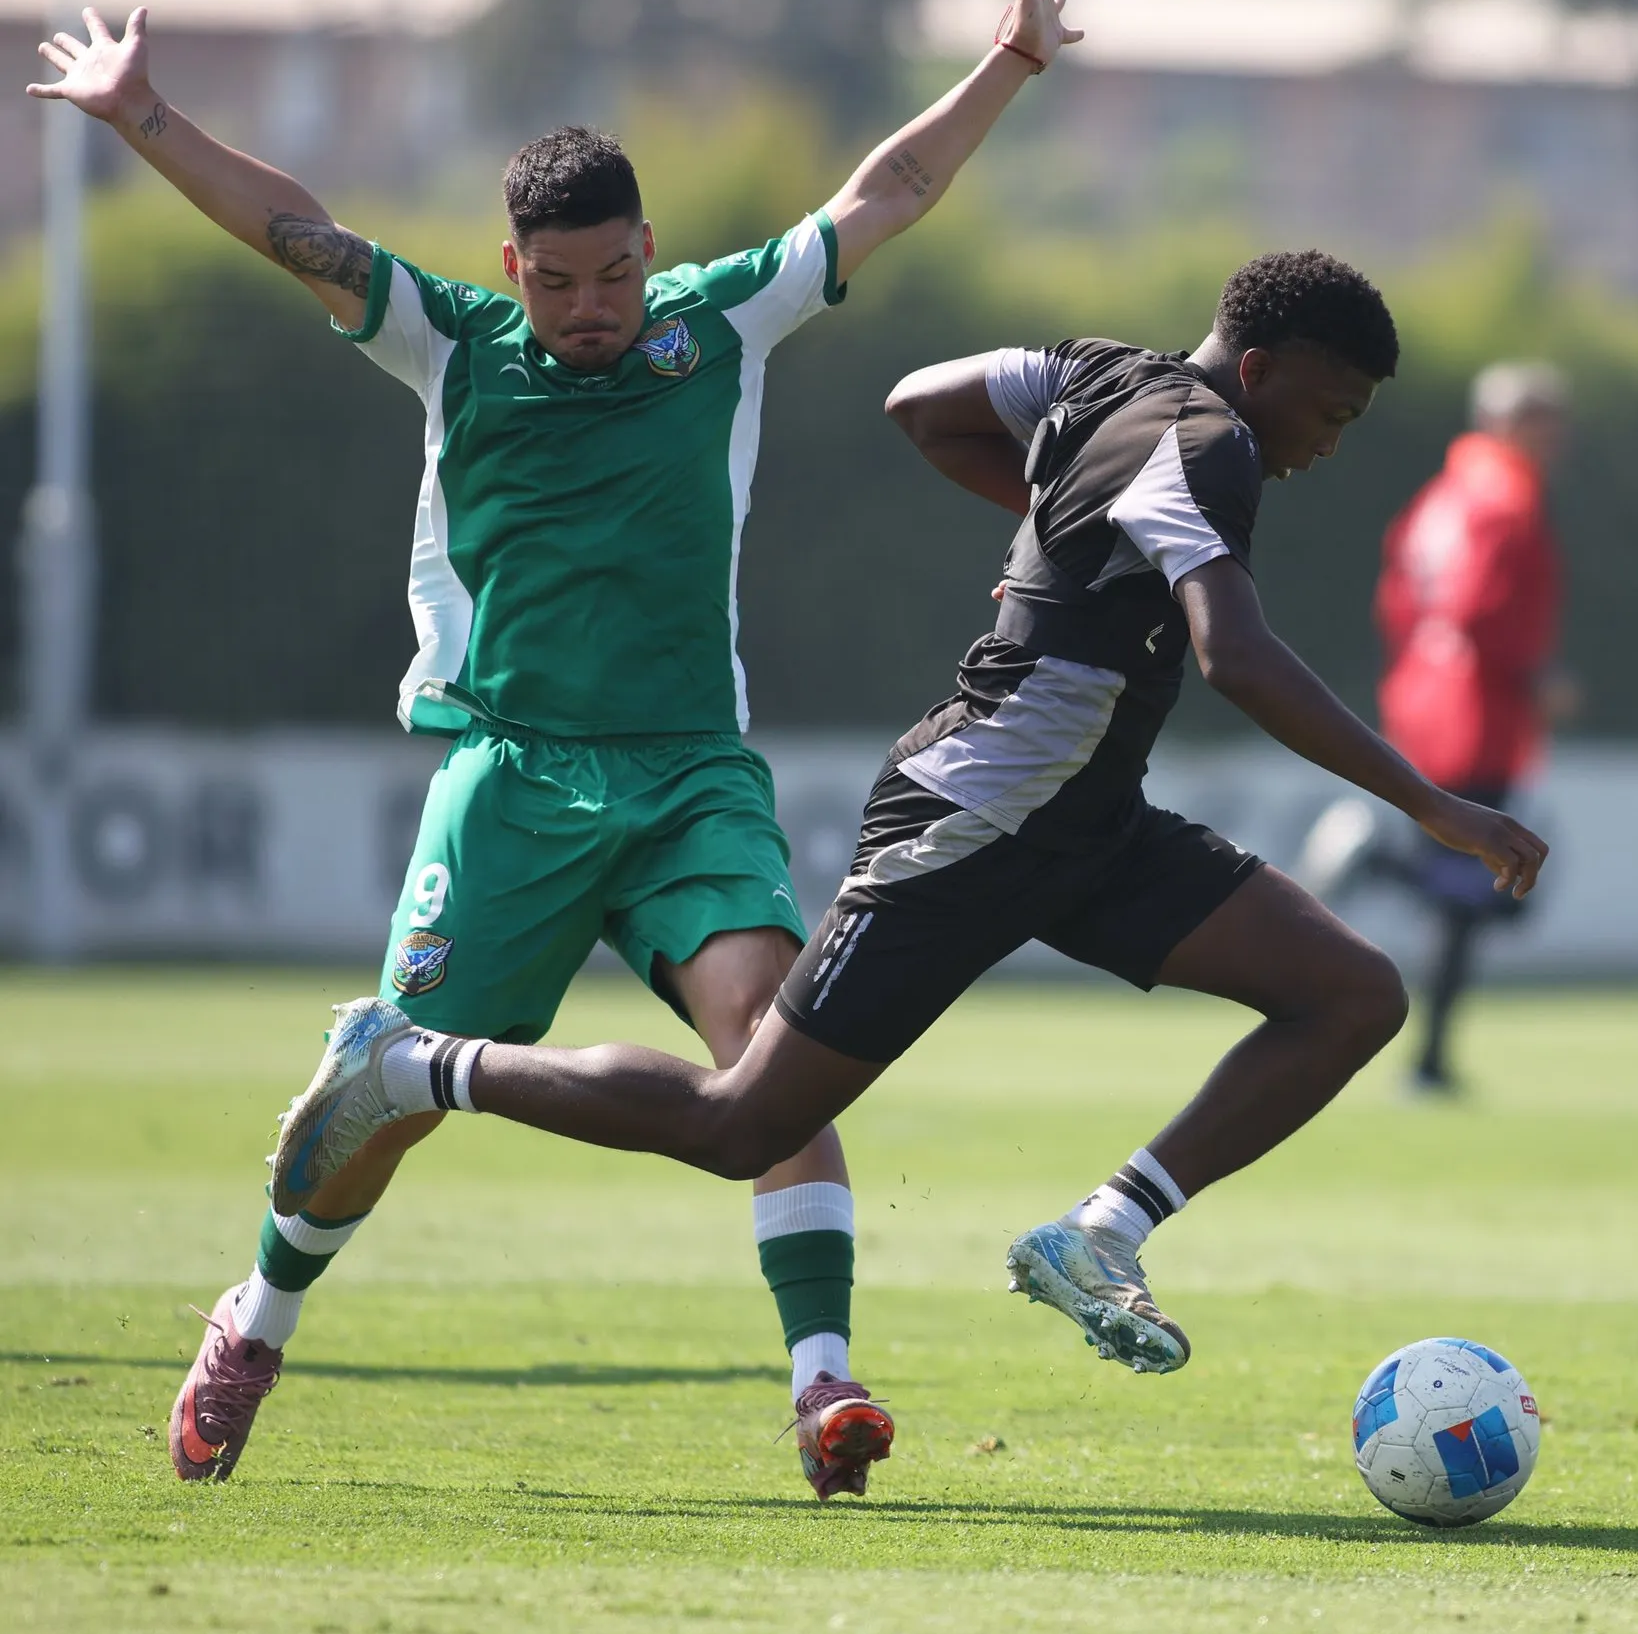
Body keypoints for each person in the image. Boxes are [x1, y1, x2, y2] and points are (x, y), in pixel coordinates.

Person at [29, 0, 1086, 1499]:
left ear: (646, 251)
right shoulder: (451, 342)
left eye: (616, 275)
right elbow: (298, 233)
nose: (593, 308)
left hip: (685, 780)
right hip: (510, 781)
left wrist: (1004, 62)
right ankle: (254, 1321)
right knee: (387, 1098)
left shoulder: (719, 325)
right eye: (563, 282)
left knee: (778, 1042)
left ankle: (823, 1387)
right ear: (514, 264)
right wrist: (145, 118)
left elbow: (889, 192)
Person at [267, 250, 1548, 1496]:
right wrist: (1435, 806)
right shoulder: (1206, 444)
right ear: (1260, 367)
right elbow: (1240, 657)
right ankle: (410, 1064)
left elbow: (922, 403)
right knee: (745, 1123)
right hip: (976, 819)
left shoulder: (1098, 374)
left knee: (1352, 991)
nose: (1326, 443)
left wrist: (1062, 519)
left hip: (1087, 823)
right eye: (1329, 412)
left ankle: (1100, 1235)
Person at [1298, 362, 1570, 1092]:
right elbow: (1487, 611)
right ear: (1507, 424)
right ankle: (1375, 864)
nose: (1558, 439)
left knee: (1473, 889)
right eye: (1546, 422)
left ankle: (1430, 1059)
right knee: (1485, 885)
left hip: (1425, 699)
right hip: (1478, 713)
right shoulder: (1507, 499)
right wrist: (1536, 675)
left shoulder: (1440, 499)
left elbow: (1400, 604)